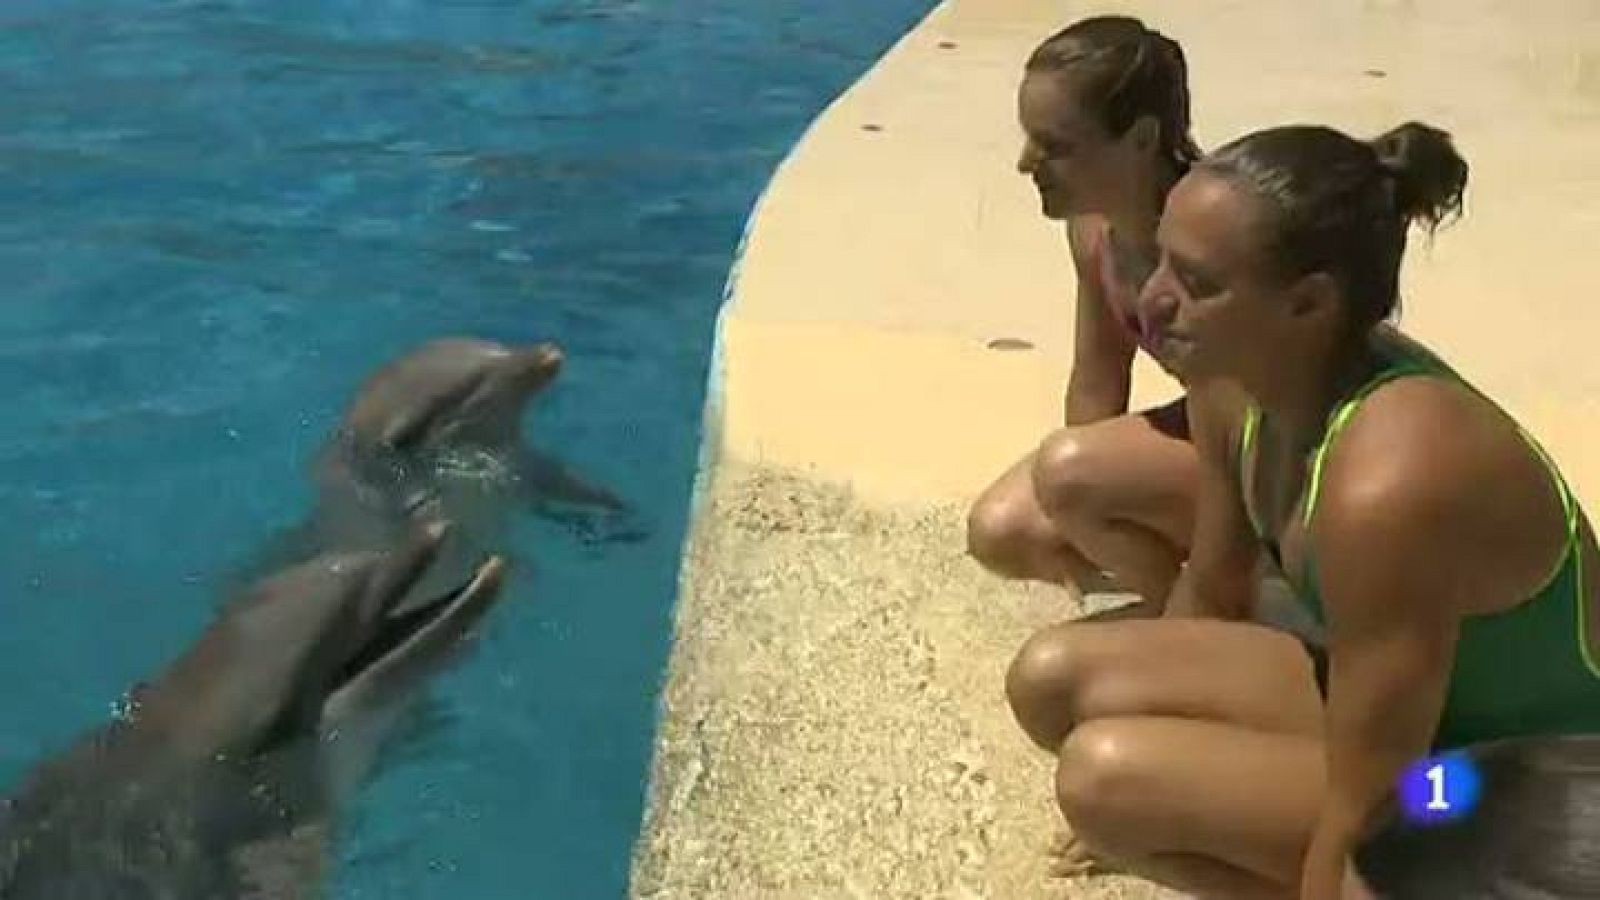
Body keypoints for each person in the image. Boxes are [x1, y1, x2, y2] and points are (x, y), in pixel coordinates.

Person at [1004, 119, 1600, 899]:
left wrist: (1171, 800)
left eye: (1197, 282)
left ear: (1309, 304)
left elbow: (1371, 793)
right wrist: (1185, 789)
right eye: (1163, 263)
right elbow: (1215, 589)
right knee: (1052, 683)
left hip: (1503, 780)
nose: (1154, 300)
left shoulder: (1391, 484)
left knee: (1104, 779)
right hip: (1410, 717)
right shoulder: (1235, 379)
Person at [965, 15, 1202, 609]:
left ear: (1143, 139)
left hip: (1287, 448)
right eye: (1029, 138)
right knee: (1003, 529)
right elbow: (1097, 383)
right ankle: (1191, 602)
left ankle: (1210, 616)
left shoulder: (1209, 239)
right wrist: (1086, 510)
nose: (1026, 163)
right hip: (1216, 425)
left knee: (1071, 476)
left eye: (1056, 146)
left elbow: (1276, 403)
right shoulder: (1095, 231)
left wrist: (1090, 490)